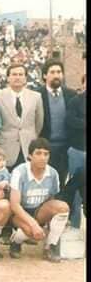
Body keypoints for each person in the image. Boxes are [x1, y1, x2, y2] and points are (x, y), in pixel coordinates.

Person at [8, 138, 70, 263]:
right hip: (19, 213)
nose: (43, 157)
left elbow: (51, 201)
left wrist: (50, 225)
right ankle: (15, 240)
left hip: (39, 211)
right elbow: (14, 205)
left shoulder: (53, 173)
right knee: (32, 232)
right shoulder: (19, 172)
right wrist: (34, 224)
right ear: (30, 155)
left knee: (63, 207)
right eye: (38, 153)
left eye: (46, 154)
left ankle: (51, 245)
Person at [0, 63, 44, 171]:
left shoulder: (36, 97)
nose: (17, 77)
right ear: (8, 77)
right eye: (14, 74)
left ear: (25, 78)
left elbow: (39, 122)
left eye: (21, 74)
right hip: (6, 148)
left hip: (28, 146)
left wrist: (30, 135)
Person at [35, 59, 76, 189]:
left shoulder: (71, 94)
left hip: (66, 147)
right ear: (44, 75)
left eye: (59, 72)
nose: (56, 75)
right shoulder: (37, 95)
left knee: (62, 183)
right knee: (44, 182)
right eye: (52, 72)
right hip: (45, 146)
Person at [64, 74, 86, 229]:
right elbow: (70, 121)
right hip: (78, 151)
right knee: (76, 189)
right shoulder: (76, 101)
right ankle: (75, 223)